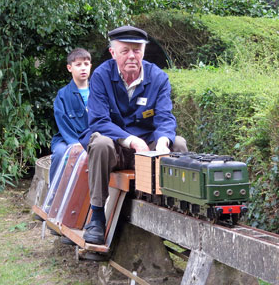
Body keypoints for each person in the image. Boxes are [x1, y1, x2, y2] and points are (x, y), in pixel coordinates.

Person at [79, 25, 187, 245]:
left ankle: (176, 214)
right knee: (99, 143)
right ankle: (97, 217)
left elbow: (165, 118)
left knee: (179, 144)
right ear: (113, 53)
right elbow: (99, 121)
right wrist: (131, 141)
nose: (131, 56)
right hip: (116, 149)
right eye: (125, 50)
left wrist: (164, 141)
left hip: (147, 149)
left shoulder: (159, 78)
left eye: (136, 50)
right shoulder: (100, 76)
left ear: (144, 52)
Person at [49, 48, 92, 184]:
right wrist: (75, 144)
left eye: (86, 64)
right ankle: (54, 195)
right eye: (78, 65)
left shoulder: (98, 91)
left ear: (90, 66)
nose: (83, 68)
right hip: (67, 139)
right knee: (60, 153)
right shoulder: (62, 95)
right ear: (69, 68)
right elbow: (62, 123)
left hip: (93, 139)